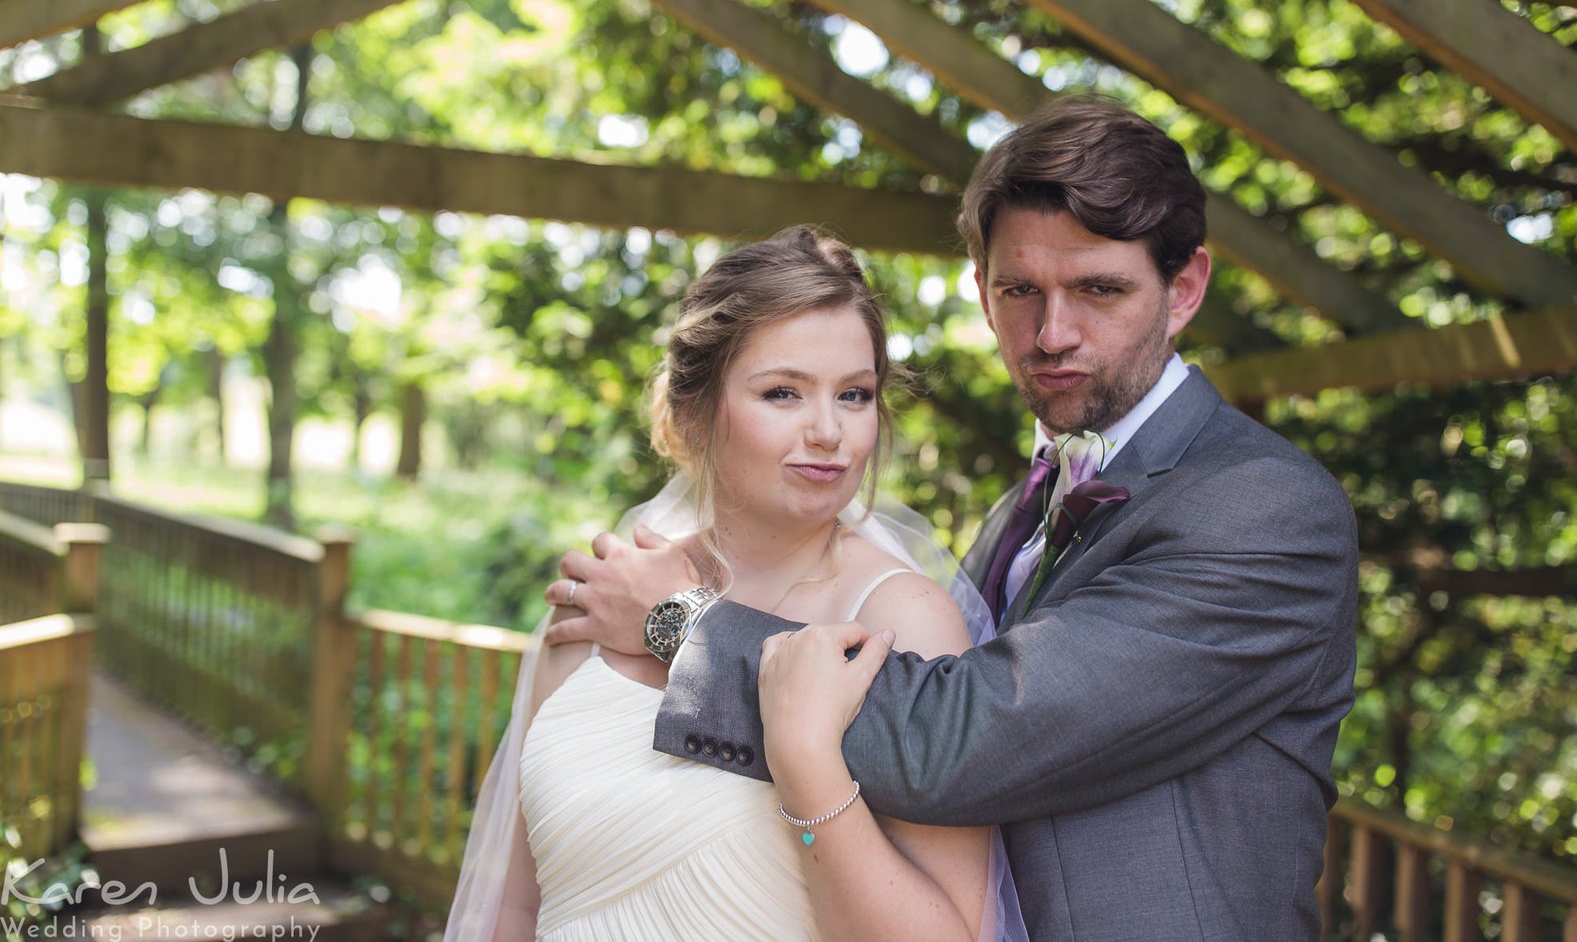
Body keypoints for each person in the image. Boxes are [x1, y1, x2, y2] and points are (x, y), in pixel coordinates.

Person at [544, 96, 1361, 941]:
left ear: (1183, 288)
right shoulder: (1025, 504)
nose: (1051, 333)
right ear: (981, 289)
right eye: (1019, 290)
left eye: (1098, 290)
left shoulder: (1262, 507)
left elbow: (962, 740)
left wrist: (679, 624)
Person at [444, 226, 1023, 941]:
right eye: (783, 392)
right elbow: (513, 903)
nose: (828, 432)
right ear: (694, 410)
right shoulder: (602, 601)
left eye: (854, 394)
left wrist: (808, 765)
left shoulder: (903, 621)